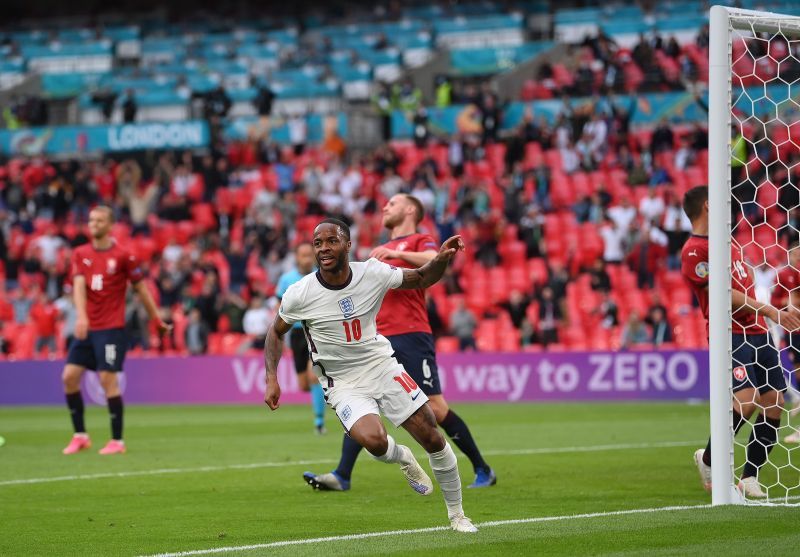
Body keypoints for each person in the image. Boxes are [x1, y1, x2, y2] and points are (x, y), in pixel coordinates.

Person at [263, 218, 478, 533]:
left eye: (331, 241)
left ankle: (458, 516)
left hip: (381, 366)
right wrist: (272, 377)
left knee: (432, 436)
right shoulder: (300, 293)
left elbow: (420, 278)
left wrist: (442, 259)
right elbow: (275, 332)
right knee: (374, 441)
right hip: (342, 382)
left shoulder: (372, 272)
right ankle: (402, 457)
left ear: (348, 245)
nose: (323, 248)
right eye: (318, 243)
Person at [303, 194, 495, 494]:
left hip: (411, 333)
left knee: (435, 407)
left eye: (391, 204)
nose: (384, 207)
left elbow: (432, 264)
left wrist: (397, 255)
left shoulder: (420, 239)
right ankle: (342, 474)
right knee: (359, 398)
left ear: (409, 210)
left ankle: (483, 468)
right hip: (376, 337)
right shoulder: (381, 248)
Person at [682, 186, 800, 498]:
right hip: (729, 333)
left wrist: (768, 314)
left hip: (758, 332)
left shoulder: (728, 240)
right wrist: (771, 310)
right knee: (746, 400)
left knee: (774, 404)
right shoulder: (694, 251)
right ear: (708, 205)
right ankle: (709, 459)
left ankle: (749, 476)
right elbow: (723, 294)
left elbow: (743, 283)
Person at [62, 206, 170, 455]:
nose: (94, 224)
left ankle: (117, 441)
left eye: (99, 220)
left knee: (107, 380)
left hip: (111, 328)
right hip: (88, 327)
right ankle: (80, 435)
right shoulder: (80, 253)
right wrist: (80, 316)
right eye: (91, 220)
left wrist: (156, 320)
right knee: (68, 377)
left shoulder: (123, 256)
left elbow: (141, 289)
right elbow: (78, 286)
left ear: (111, 225)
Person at [275, 242, 327, 434]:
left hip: (315, 330)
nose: (306, 258)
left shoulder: (321, 276)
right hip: (296, 333)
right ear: (296, 257)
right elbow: (279, 308)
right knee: (304, 384)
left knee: (314, 376)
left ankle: (319, 423)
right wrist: (278, 333)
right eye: (302, 255)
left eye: (309, 255)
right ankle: (329, 394)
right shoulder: (286, 279)